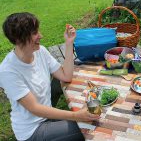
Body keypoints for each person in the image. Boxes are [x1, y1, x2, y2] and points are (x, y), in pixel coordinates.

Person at [0, 12, 99, 141]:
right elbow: (35, 109)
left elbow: (66, 76)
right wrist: (77, 115)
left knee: (89, 119)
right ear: (19, 39)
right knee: (87, 126)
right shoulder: (8, 71)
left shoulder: (40, 51)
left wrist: (69, 43)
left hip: (47, 115)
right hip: (33, 130)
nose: (40, 36)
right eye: (34, 33)